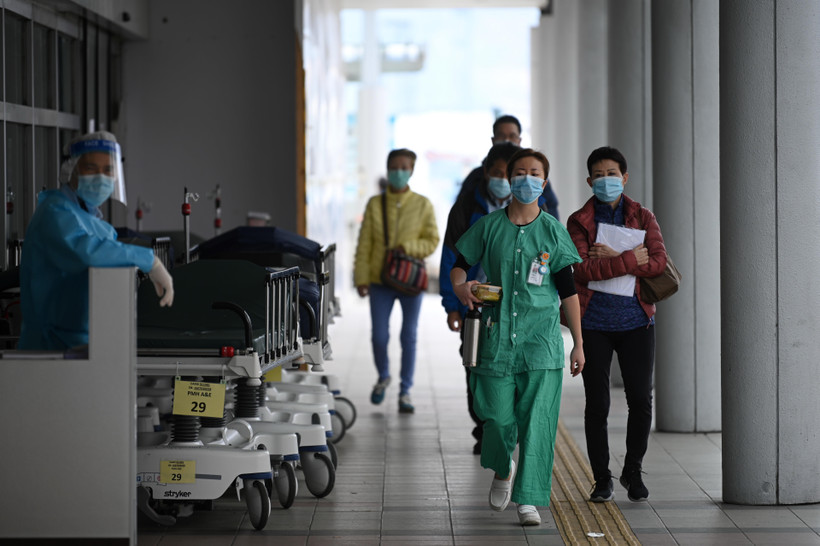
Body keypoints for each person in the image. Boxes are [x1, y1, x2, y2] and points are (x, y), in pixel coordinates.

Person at [450, 148, 585, 526]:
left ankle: (529, 499)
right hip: (495, 338)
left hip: (541, 342)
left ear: (544, 181)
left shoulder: (553, 231)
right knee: (494, 417)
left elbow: (569, 292)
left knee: (538, 421)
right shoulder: (490, 227)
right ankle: (502, 468)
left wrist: (578, 342)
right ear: (510, 180)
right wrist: (463, 288)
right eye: (520, 172)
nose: (527, 178)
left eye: (535, 172)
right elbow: (458, 267)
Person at [565, 146, 668, 503]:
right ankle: (601, 478)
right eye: (599, 175)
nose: (606, 180)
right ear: (589, 181)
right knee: (598, 404)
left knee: (640, 399)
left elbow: (658, 263)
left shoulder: (642, 216)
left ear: (624, 177)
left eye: (613, 173)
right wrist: (627, 259)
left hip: (637, 322)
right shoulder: (579, 221)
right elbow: (580, 268)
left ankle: (633, 470)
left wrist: (612, 257)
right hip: (593, 323)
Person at [440, 141, 555, 455]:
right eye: (501, 173)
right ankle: (486, 428)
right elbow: (453, 259)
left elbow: (556, 267)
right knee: (475, 365)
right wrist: (453, 301)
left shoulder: (541, 216)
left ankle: (508, 428)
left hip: (526, 313)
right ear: (487, 173)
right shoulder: (468, 209)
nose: (509, 180)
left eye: (516, 173)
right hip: (477, 306)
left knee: (521, 373)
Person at [19, 131, 174, 351]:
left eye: (108, 170)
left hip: (83, 344)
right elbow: (89, 251)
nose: (101, 177)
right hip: (50, 348)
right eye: (91, 168)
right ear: (70, 170)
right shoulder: (54, 213)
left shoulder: (91, 221)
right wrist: (150, 260)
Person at [353, 148, 439, 414]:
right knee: (379, 335)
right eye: (394, 167)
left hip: (410, 280)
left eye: (404, 167)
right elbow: (364, 243)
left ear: (411, 170)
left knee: (409, 336)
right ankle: (383, 376)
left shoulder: (423, 204)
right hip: (380, 280)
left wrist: (408, 246)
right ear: (388, 169)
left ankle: (405, 390)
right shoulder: (375, 204)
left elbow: (432, 240)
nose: (398, 172)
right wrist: (361, 277)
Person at [458, 115, 560, 219]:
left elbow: (551, 216)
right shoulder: (475, 178)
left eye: (512, 136)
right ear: (493, 140)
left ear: (519, 141)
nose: (507, 140)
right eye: (501, 136)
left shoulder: (535, 179)